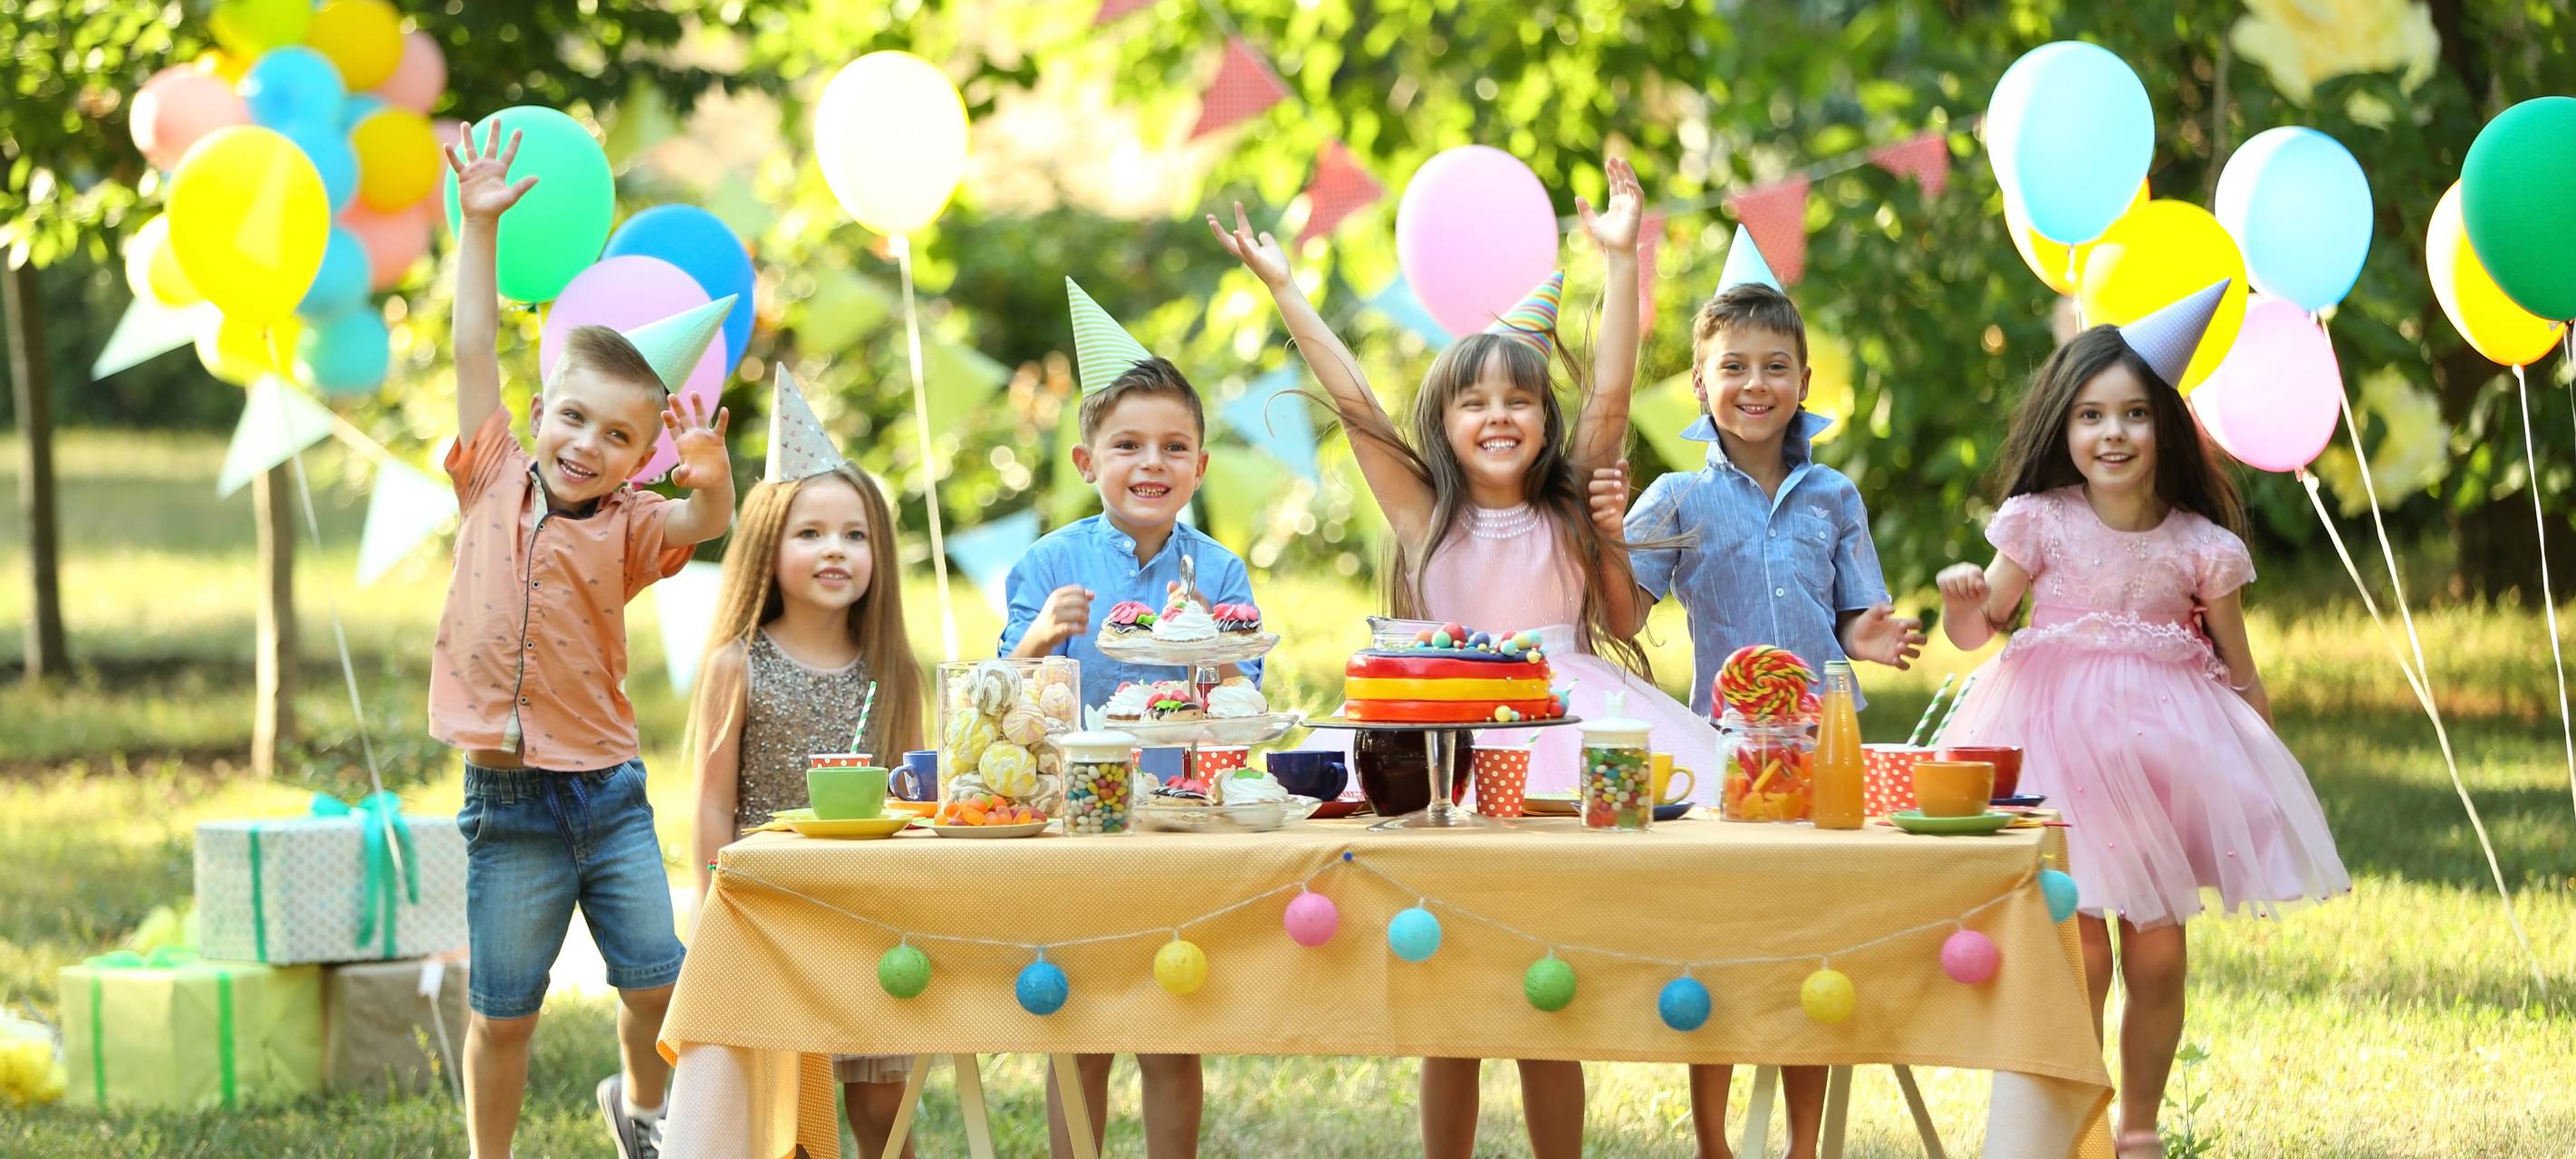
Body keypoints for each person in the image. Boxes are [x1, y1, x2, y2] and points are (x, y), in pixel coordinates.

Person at [1211, 157, 1668, 1159]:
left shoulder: (1568, 505)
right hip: (1442, 751)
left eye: (1521, 400)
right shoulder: (1426, 518)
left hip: (1560, 724)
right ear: (1446, 424)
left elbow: (1618, 383)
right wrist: (1287, 289)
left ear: (1548, 422)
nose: (1499, 414)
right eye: (1474, 402)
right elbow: (1356, 400)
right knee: (1451, 992)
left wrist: (1622, 262)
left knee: (1548, 985)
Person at [1935, 280, 2349, 1157]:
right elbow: (1982, 630)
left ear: (2167, 425)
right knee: (2079, 952)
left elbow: (2242, 674)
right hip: (2053, 752)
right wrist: (1964, 601)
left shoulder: (2201, 544)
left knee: (2158, 956)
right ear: (2064, 427)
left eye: (2133, 414)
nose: (2111, 433)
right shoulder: (2038, 521)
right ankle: (2072, 1116)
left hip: (2159, 766)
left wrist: (2261, 775)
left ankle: (2140, 1125)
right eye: (2090, 415)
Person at [436, 121, 738, 1159]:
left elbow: (707, 526)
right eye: (572, 419)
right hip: (508, 801)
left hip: (608, 792)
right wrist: (480, 226)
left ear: (642, 456)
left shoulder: (632, 527)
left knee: (656, 980)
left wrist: (712, 471)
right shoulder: (492, 477)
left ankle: (644, 1114)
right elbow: (473, 341)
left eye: (618, 436)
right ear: (536, 411)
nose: (586, 445)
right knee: (506, 1007)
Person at [1597, 233, 1924, 1159]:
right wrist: (1609, 536)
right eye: (1732, 366)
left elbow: (1855, 616)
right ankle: (1713, 1142)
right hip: (1723, 750)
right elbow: (1625, 612)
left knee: (1812, 949)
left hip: (1827, 746)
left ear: (1805, 379)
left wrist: (1881, 639)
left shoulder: (1834, 496)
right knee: (1725, 947)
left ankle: (1803, 1144)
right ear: (1700, 384)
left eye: (1774, 365)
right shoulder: (1675, 499)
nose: (1754, 382)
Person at [1001, 279, 1262, 1159]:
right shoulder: (1048, 563)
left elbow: (1241, 697)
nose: (1151, 462)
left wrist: (1212, 650)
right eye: (1128, 445)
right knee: (1078, 1016)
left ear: (1199, 465)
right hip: (1080, 818)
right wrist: (1042, 635)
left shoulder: (1219, 575)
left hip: (1182, 817)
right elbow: (1002, 697)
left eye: (1173, 446)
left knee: (1169, 1013)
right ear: (1086, 462)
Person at [688, 366, 926, 1158]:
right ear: (768, 545)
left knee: (883, 1093)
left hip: (870, 905)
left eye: (855, 535)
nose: (837, 551)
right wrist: (710, 903)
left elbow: (912, 799)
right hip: (773, 908)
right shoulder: (738, 664)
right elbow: (713, 804)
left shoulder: (893, 671)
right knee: (788, 1101)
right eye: (812, 533)